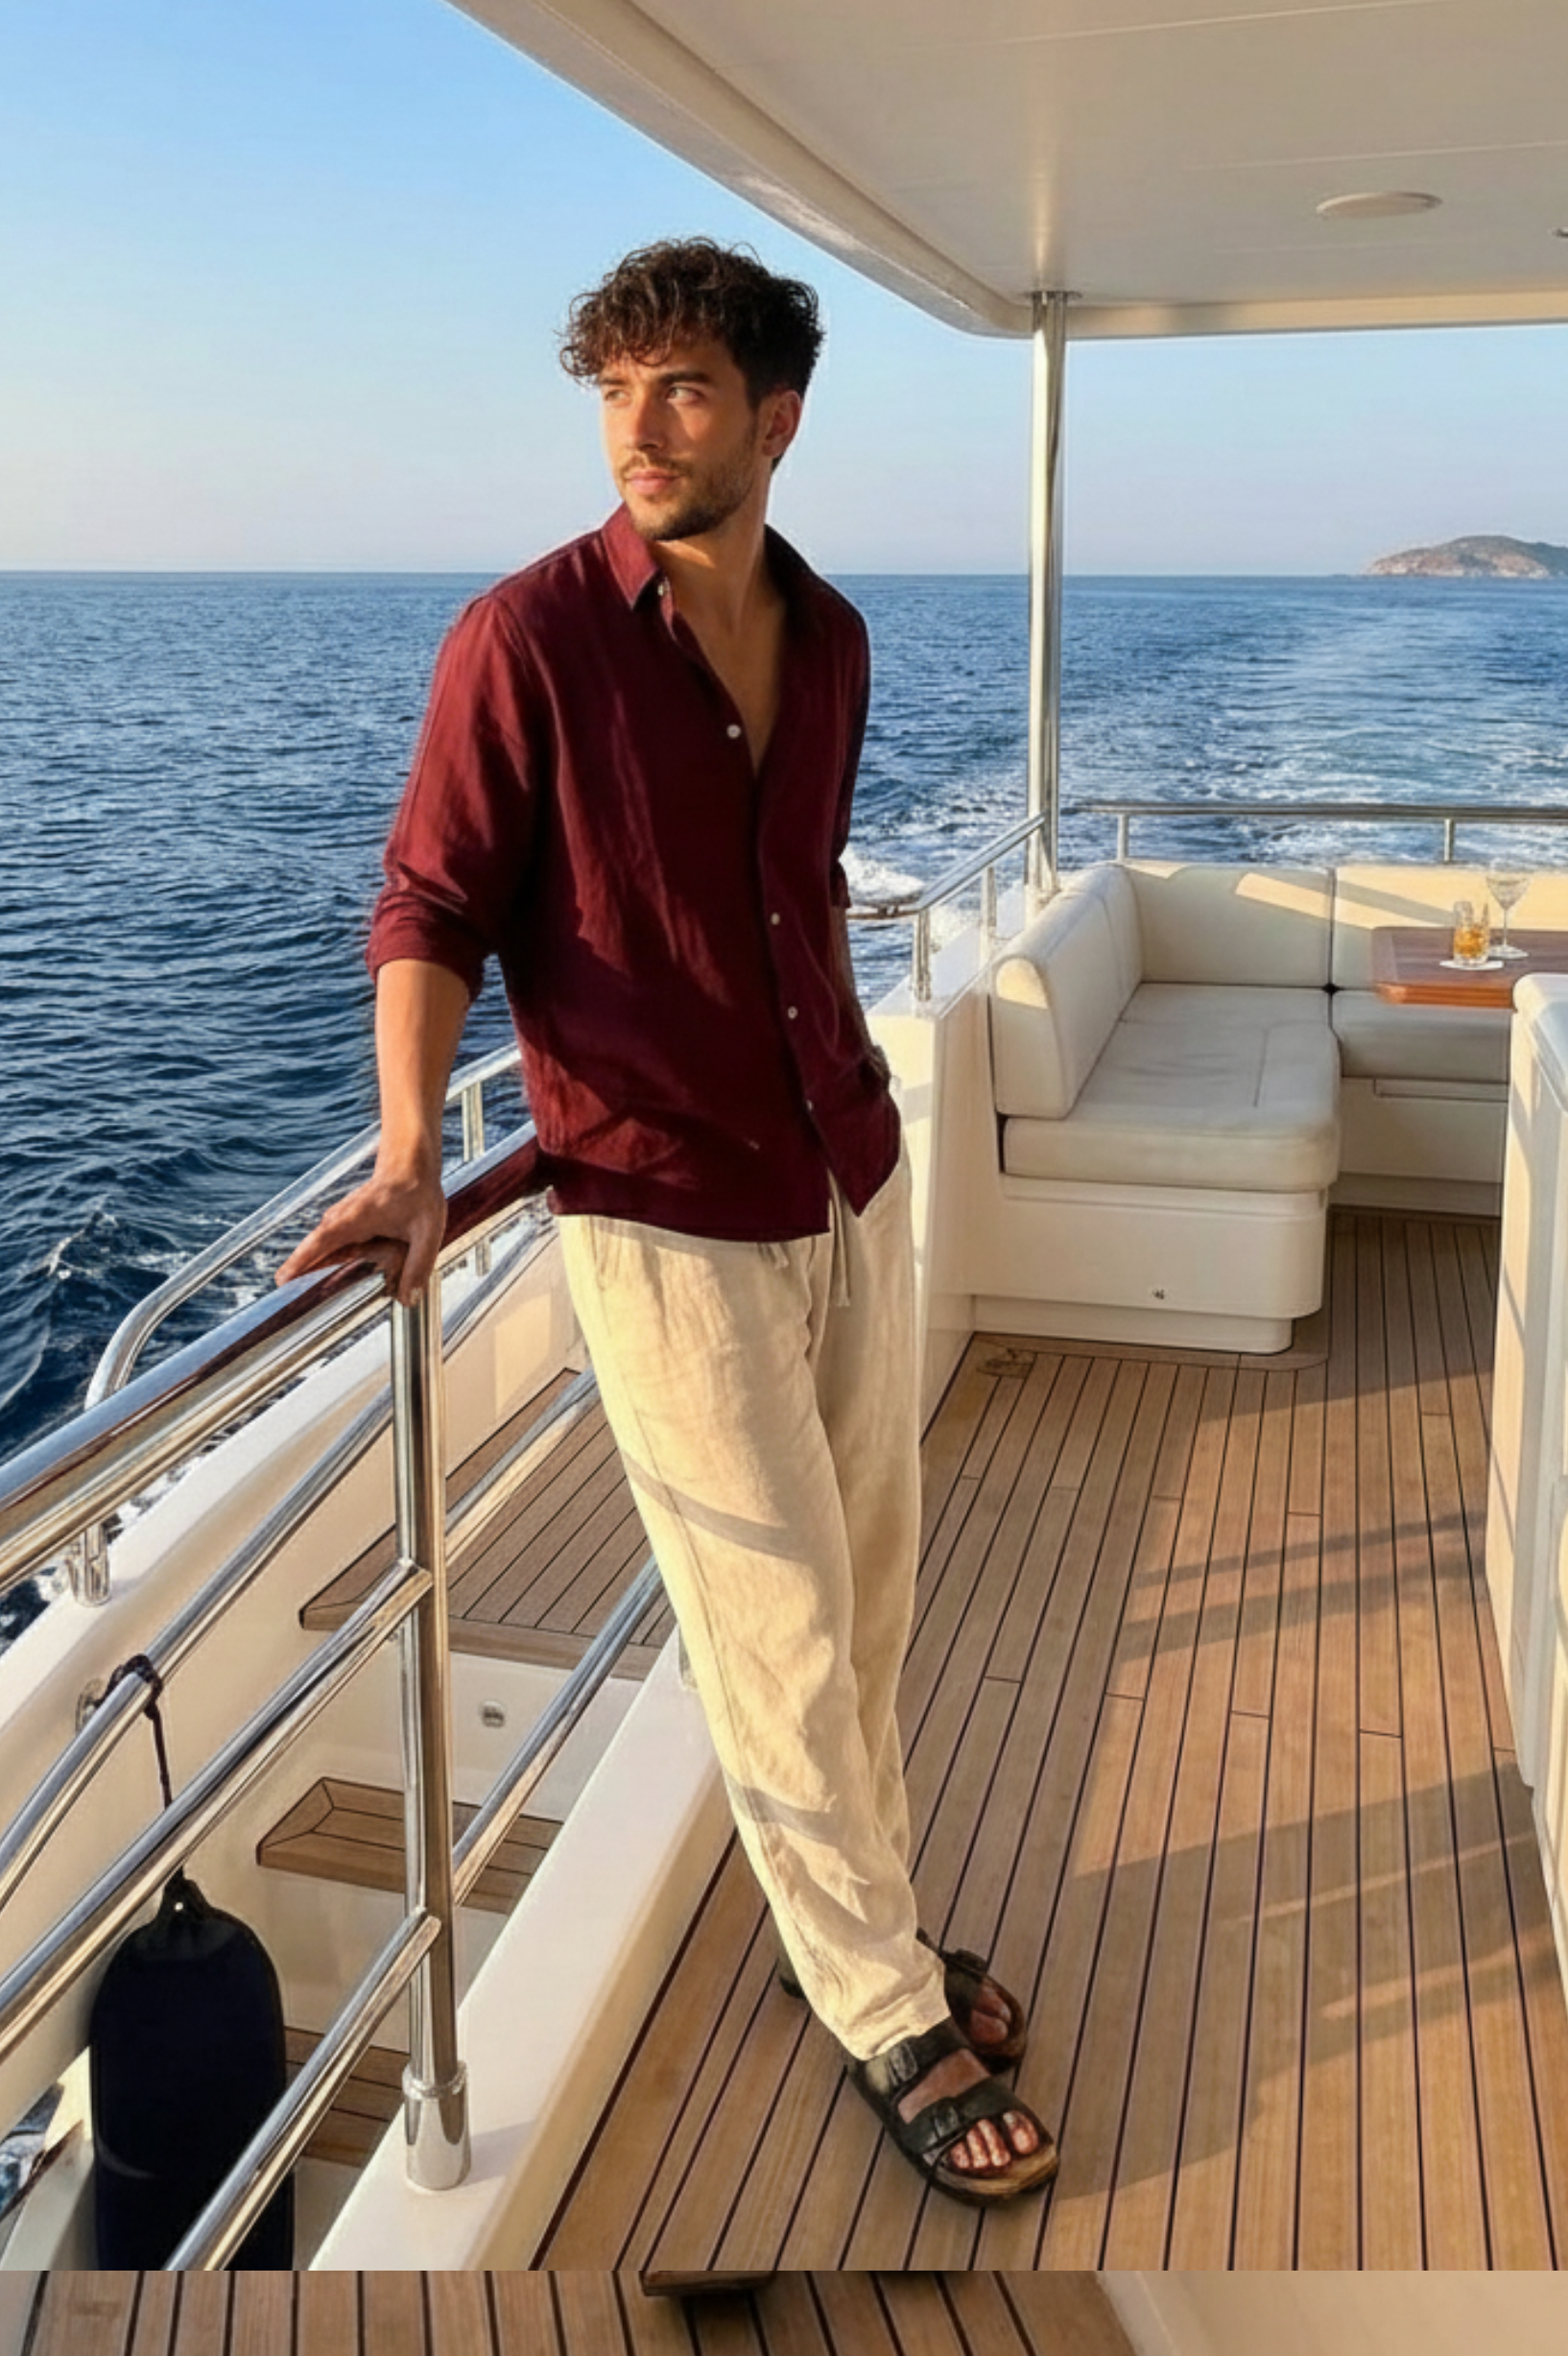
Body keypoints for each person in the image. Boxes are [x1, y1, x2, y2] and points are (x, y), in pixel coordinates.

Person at [277, 238, 1055, 2205]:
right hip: (656, 1205)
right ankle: (880, 2000)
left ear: (774, 419)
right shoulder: (524, 640)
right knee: (771, 1620)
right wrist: (409, 1154)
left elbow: (798, 898)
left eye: (682, 387)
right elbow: (429, 904)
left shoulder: (835, 637)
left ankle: (853, 1922)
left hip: (843, 1168)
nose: (638, 426)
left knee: (865, 1598)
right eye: (614, 390)